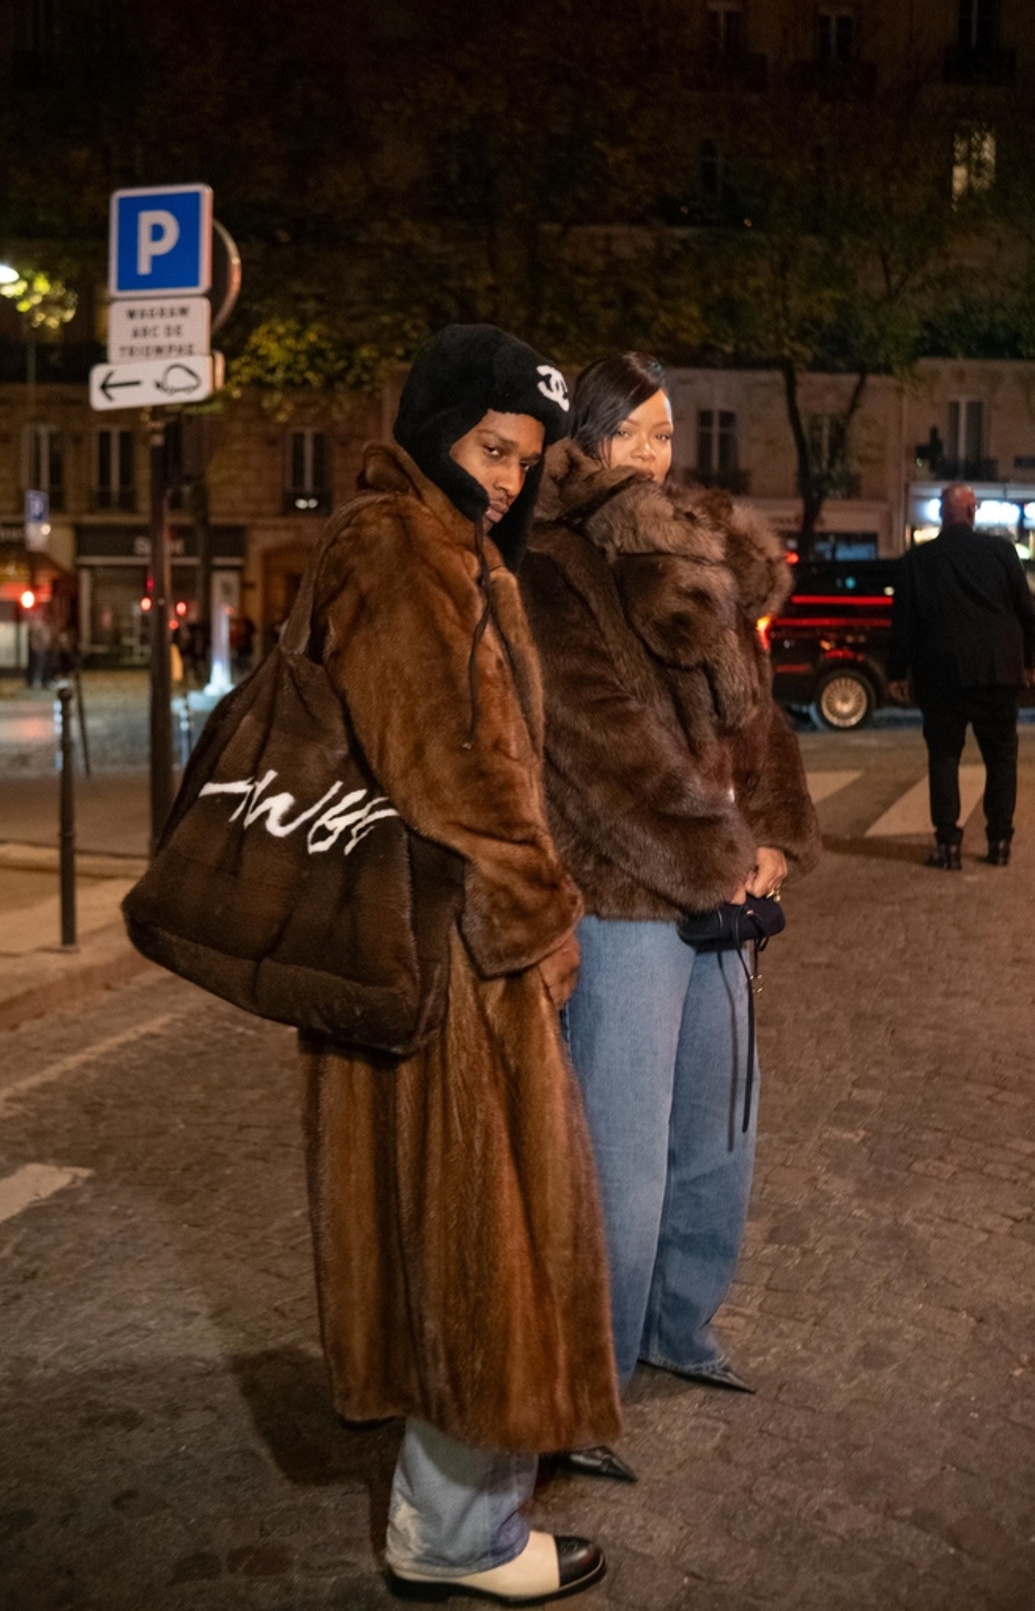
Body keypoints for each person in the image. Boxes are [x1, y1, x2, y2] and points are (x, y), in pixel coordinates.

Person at [299, 326, 621, 1604]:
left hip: (442, 951)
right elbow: (448, 772)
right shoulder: (401, 547)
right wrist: (544, 922)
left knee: (464, 1238)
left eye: (525, 460)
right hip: (448, 962)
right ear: (434, 425)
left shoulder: (445, 547)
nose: (506, 478)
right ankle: (453, 1535)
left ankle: (460, 1512)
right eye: (492, 448)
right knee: (487, 1244)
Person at [519, 353, 820, 1427]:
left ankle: (678, 1328)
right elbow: (600, 756)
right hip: (624, 903)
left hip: (721, 889)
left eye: (667, 433)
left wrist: (774, 831)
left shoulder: (697, 554)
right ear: (586, 443)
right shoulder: (553, 565)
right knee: (622, 1156)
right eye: (637, 433)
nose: (659, 455)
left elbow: (758, 719)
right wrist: (721, 857)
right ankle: (588, 1377)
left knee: (718, 1134)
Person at [887, 482, 1035, 869]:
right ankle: (999, 842)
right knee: (1001, 758)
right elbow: (1025, 610)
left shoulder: (917, 561)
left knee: (944, 757)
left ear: (941, 513)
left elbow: (903, 624)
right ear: (973, 512)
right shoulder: (1002, 553)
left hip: (941, 672)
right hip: (997, 670)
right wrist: (1029, 661)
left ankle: (948, 845)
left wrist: (896, 672)